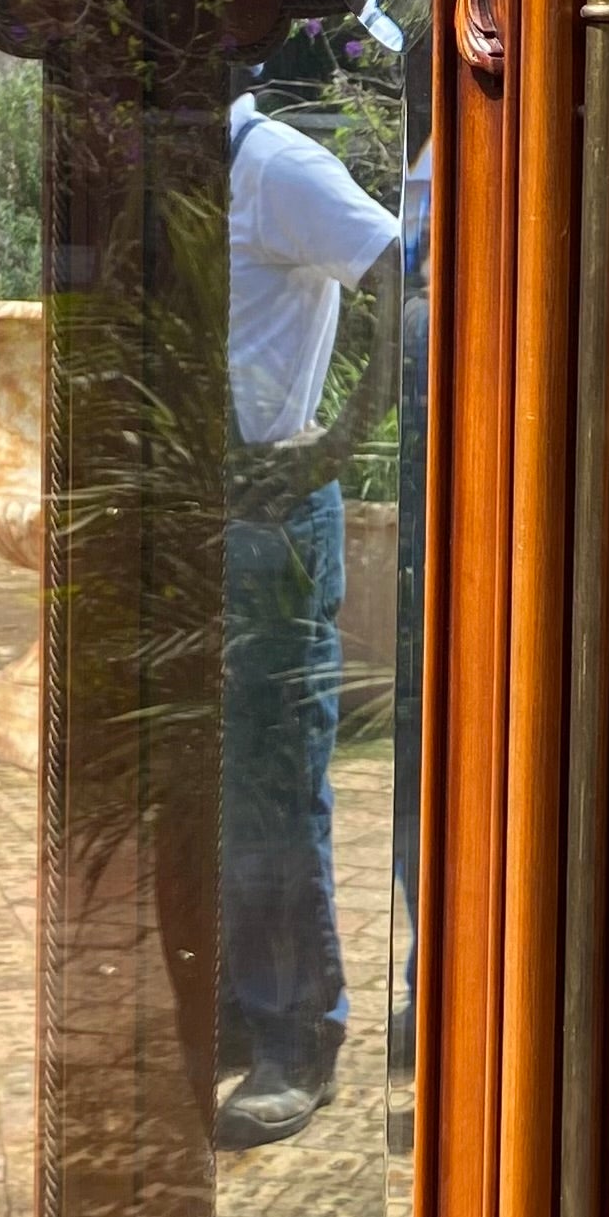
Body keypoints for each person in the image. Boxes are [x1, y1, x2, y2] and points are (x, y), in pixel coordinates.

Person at [219, 88, 398, 1148]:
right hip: (181, 510)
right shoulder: (169, 162)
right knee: (198, 784)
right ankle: (237, 1008)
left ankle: (299, 1037)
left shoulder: (278, 167)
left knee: (276, 785)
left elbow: (409, 272)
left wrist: (337, 445)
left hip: (273, 515)